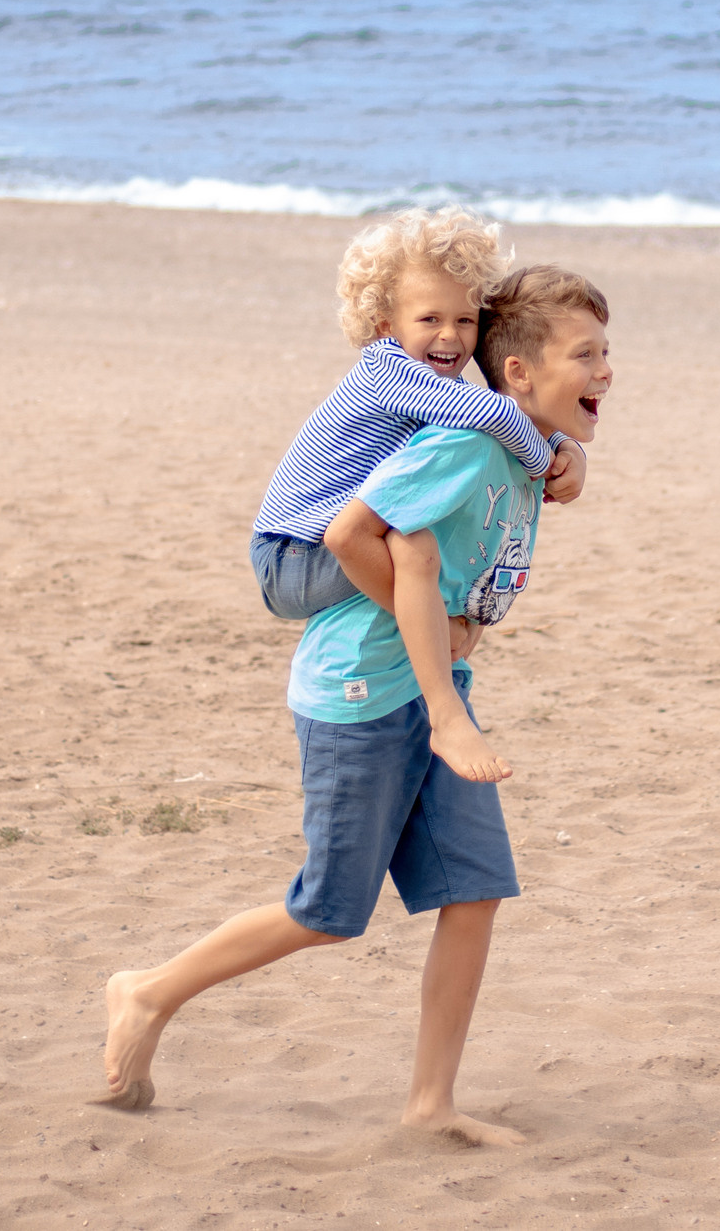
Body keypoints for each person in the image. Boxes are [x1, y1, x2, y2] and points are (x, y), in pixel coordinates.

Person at [97, 265, 614, 1148]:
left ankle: (430, 1102)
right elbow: (348, 534)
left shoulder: (523, 460)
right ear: (519, 373)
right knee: (327, 910)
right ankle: (146, 991)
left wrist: (464, 630)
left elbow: (473, 588)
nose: (606, 371)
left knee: (476, 890)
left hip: (434, 691)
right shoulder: (466, 444)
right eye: (588, 354)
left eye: (608, 353)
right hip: (359, 693)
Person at [249, 207, 584, 626]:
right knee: (422, 543)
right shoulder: (386, 368)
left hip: (311, 550)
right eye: (430, 319)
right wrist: (545, 462)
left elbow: (492, 417)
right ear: (387, 324)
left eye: (465, 320)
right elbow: (496, 411)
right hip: (292, 554)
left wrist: (564, 445)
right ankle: (434, 628)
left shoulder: (441, 390)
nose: (450, 334)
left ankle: (435, 628)